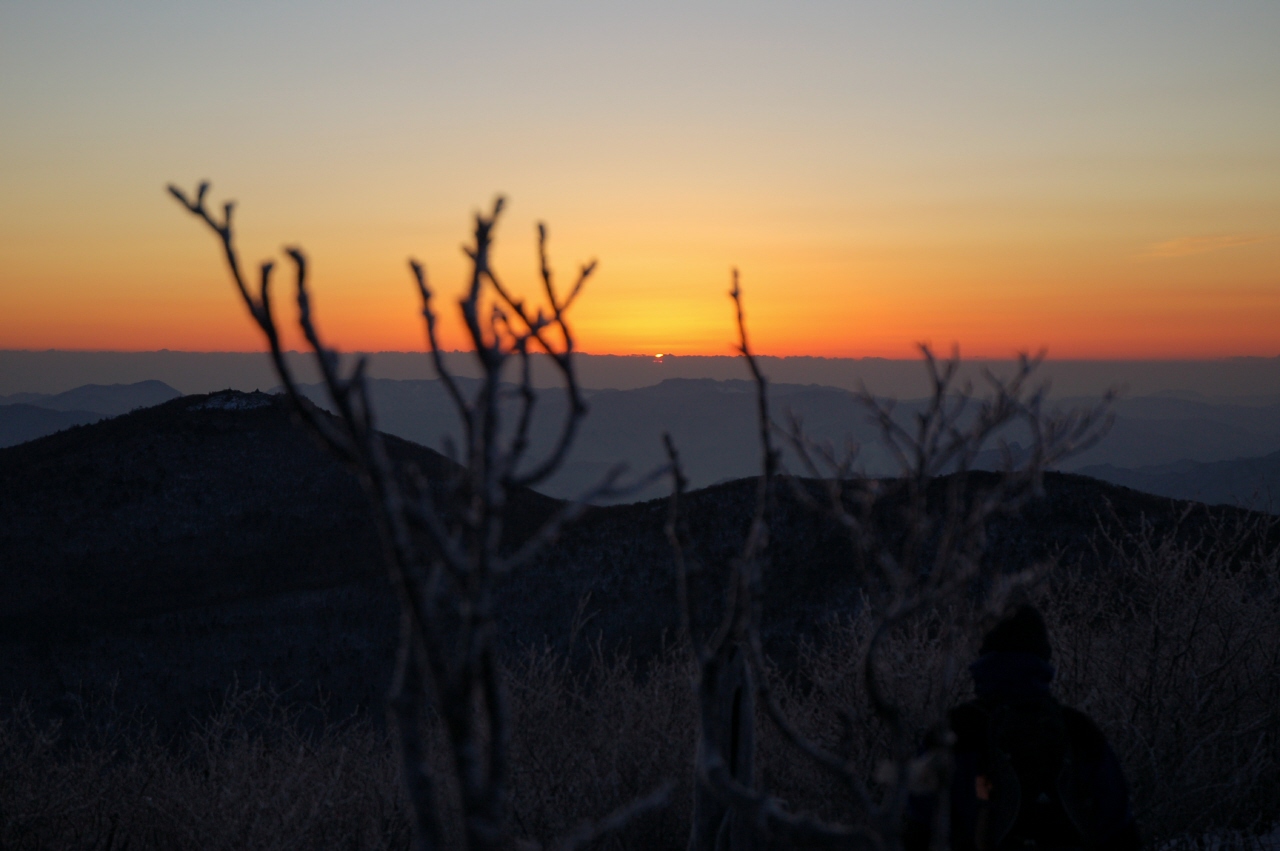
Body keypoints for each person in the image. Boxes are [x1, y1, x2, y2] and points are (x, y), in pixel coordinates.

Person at [906, 605, 1140, 851]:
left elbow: (918, 826)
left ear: (984, 654)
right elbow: (1119, 828)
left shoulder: (952, 732)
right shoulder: (1078, 731)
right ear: (1043, 655)